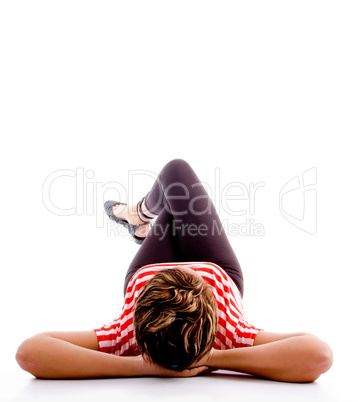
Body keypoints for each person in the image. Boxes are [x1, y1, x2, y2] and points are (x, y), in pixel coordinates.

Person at [15, 159, 333, 383]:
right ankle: (138, 215)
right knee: (176, 183)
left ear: (139, 317)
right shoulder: (228, 337)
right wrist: (209, 358)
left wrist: (141, 367)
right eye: (197, 284)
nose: (186, 272)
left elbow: (30, 352)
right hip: (219, 269)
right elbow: (318, 356)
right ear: (212, 322)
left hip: (147, 266)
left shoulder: (126, 336)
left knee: (175, 187)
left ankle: (138, 215)